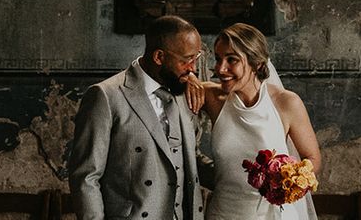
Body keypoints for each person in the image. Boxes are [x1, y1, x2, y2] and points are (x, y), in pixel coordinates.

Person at [69, 15, 205, 220]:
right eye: (186, 60)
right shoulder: (106, 96)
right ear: (159, 57)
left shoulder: (183, 90)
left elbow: (189, 159)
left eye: (197, 58)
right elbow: (86, 177)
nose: (193, 68)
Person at [188, 23, 321, 220]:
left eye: (231, 59)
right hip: (224, 212)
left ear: (257, 64)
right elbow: (173, 80)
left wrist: (291, 180)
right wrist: (189, 78)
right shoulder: (213, 98)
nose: (220, 69)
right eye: (218, 59)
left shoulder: (286, 103)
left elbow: (313, 158)